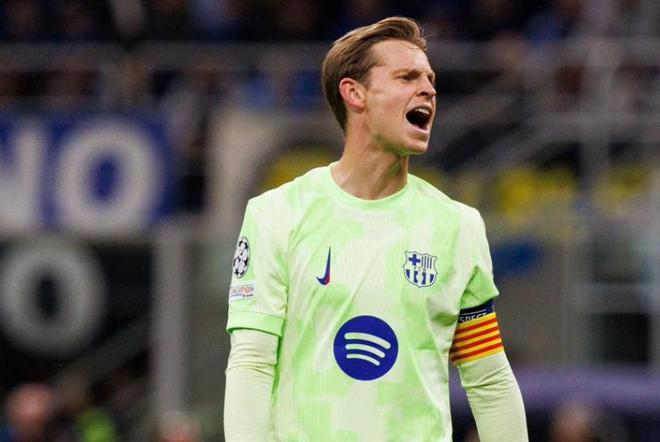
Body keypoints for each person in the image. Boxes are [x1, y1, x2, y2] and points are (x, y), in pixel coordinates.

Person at [224, 16, 528, 441]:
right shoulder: (277, 214)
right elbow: (252, 363)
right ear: (355, 93)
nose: (428, 89)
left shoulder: (458, 227)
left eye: (430, 79)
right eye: (407, 77)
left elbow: (489, 380)